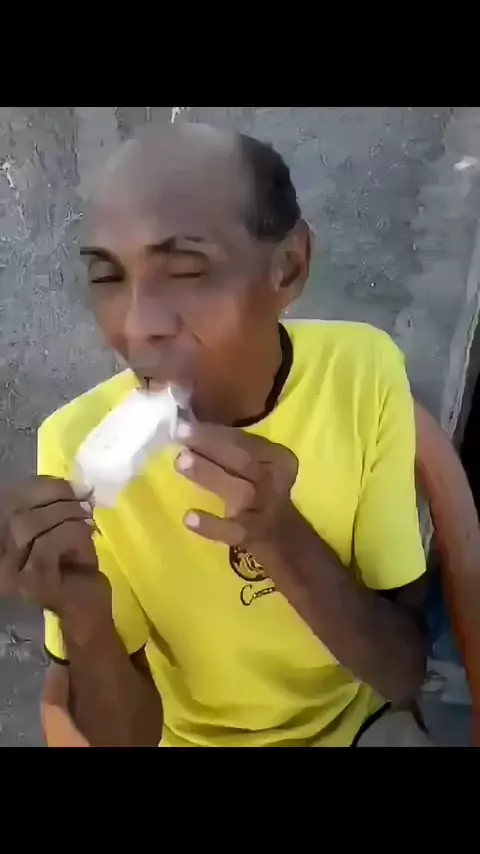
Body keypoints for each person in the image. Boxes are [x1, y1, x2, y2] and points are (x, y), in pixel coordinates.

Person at [0, 124, 430, 747]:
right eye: (107, 277)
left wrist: (280, 534)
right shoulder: (70, 446)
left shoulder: (361, 373)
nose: (138, 326)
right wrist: (84, 616)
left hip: (358, 725)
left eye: (186, 270)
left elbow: (403, 671)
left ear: (288, 268)